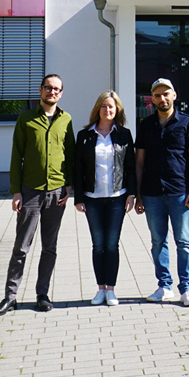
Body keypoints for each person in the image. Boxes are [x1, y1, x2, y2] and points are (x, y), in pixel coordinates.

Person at [0, 74, 75, 317]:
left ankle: (42, 295)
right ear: (40, 91)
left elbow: (71, 155)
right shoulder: (26, 119)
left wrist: (69, 185)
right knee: (21, 247)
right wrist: (16, 191)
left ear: (61, 93)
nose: (52, 92)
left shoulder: (66, 120)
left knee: (50, 247)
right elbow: (17, 156)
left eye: (57, 89)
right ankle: (10, 297)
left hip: (57, 192)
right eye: (48, 88)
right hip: (31, 192)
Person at [135, 78, 189, 307]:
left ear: (174, 95)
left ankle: (187, 289)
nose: (162, 98)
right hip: (152, 193)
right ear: (151, 99)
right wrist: (138, 194)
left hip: (180, 193)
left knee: (183, 241)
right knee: (157, 242)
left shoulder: (187, 123)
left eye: (166, 94)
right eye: (157, 95)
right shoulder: (145, 125)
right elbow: (139, 162)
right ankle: (164, 286)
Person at [73, 91, 136, 307]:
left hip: (117, 198)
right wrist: (78, 198)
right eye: (104, 106)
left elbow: (130, 167)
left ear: (117, 109)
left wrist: (131, 194)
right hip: (92, 199)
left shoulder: (124, 135)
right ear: (97, 109)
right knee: (97, 245)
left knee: (111, 245)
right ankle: (100, 289)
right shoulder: (85, 136)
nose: (107, 110)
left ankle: (111, 290)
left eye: (111, 106)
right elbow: (78, 169)